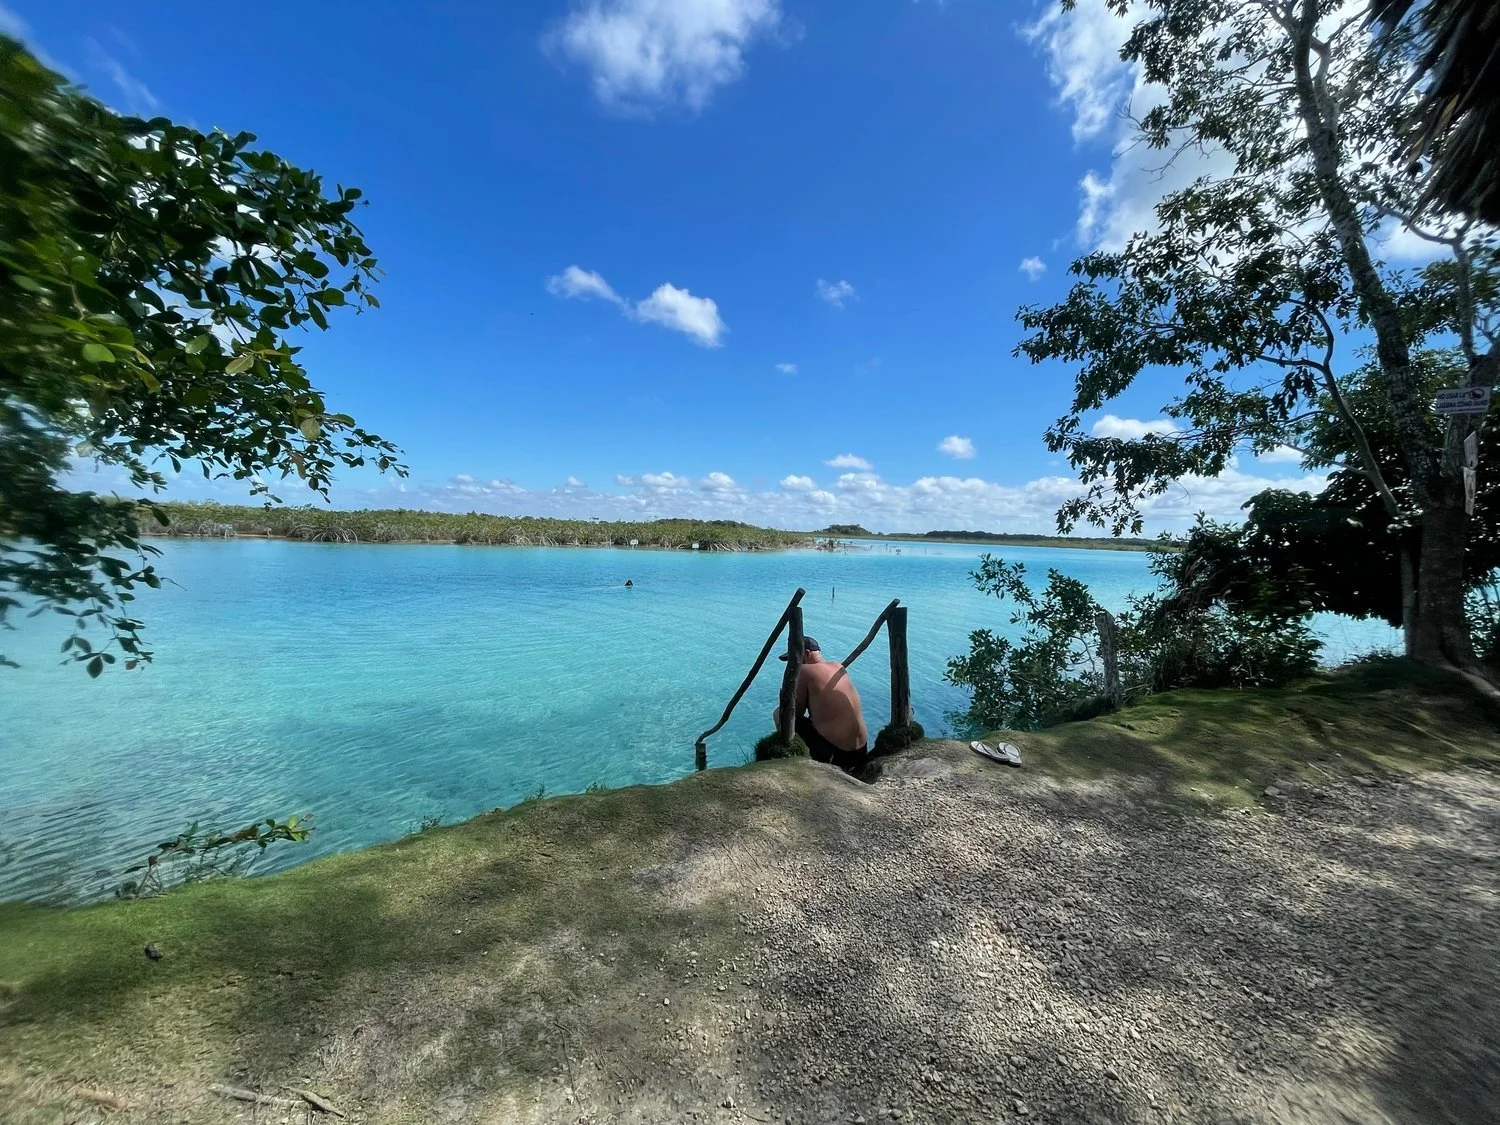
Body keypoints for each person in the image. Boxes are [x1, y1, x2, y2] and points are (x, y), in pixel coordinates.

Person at [772, 636, 869, 773]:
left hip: (837, 754)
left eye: (794, 660)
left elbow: (794, 713)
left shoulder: (804, 671)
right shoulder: (838, 666)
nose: (793, 665)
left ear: (806, 654)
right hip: (861, 752)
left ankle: (790, 754)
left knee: (779, 714)